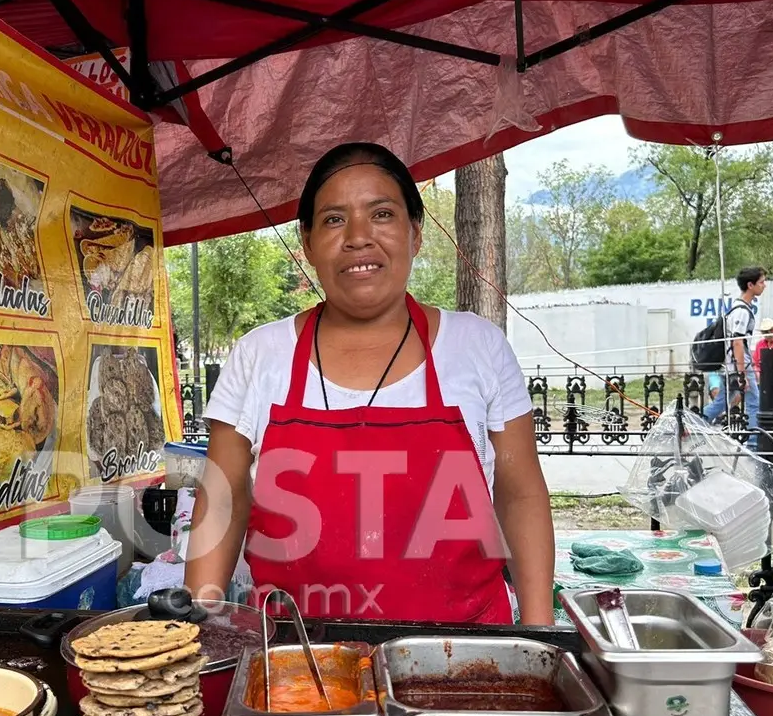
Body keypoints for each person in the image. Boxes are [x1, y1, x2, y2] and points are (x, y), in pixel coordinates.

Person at [184, 142, 554, 625]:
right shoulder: (260, 354)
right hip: (296, 659)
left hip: (463, 652)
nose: (359, 237)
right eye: (335, 219)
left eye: (381, 213)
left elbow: (520, 492)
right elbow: (222, 498)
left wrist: (539, 628)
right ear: (308, 242)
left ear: (415, 233)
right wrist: (195, 630)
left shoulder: (478, 346)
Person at [702, 267, 767, 443]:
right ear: (750, 285)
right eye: (761, 282)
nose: (764, 286)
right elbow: (737, 342)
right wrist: (742, 373)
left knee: (721, 403)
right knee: (754, 403)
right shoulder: (742, 311)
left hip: (733, 365)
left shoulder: (739, 308)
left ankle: (693, 425)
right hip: (739, 366)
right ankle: (755, 443)